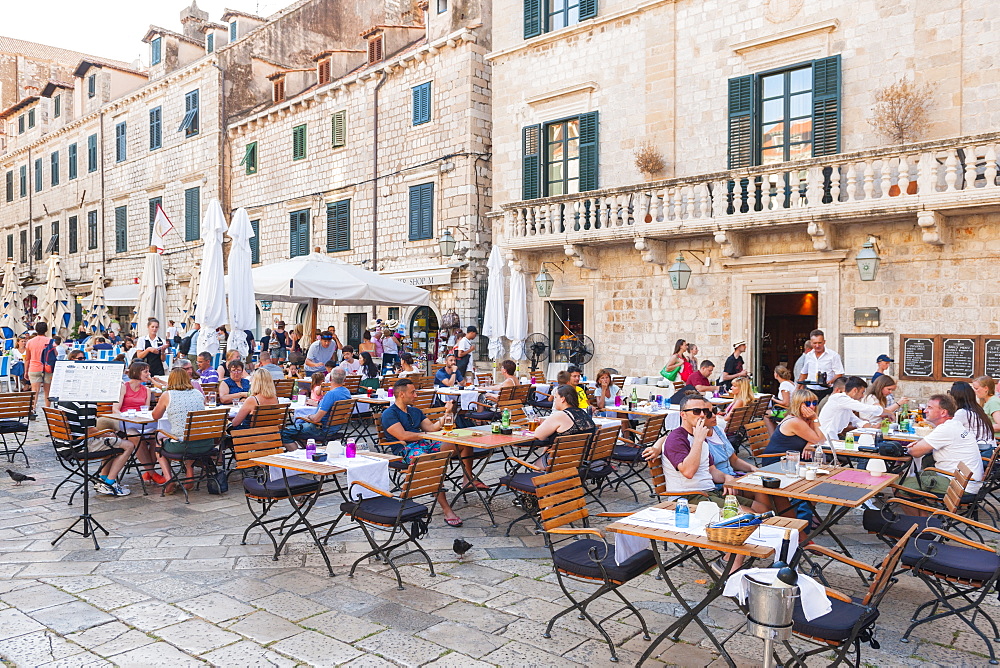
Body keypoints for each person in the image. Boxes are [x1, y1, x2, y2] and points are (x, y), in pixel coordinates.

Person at [641, 394, 766, 511]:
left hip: (709, 492)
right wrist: (698, 441)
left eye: (705, 411)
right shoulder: (677, 439)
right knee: (749, 514)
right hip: (687, 497)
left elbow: (711, 470)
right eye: (696, 411)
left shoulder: (700, 435)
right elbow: (688, 472)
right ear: (683, 415)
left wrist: (727, 477)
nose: (702, 415)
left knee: (762, 508)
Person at [379, 378, 472, 525]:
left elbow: (432, 429)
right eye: (413, 392)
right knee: (429, 461)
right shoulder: (389, 414)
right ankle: (447, 509)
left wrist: (447, 413)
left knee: (463, 443)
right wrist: (426, 436)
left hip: (424, 444)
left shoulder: (415, 411)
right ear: (402, 394)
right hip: (405, 450)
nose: (416, 395)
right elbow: (403, 436)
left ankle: (467, 480)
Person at [901, 394, 984, 495]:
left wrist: (911, 448)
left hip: (960, 485)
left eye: (930, 407)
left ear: (943, 412)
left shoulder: (946, 429)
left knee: (899, 486)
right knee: (913, 477)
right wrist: (920, 444)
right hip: (964, 481)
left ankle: (927, 511)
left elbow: (914, 452)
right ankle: (926, 510)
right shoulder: (954, 424)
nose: (925, 410)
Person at [59, 400, 135, 496]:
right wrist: (110, 434)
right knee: (128, 445)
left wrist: (108, 436)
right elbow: (90, 430)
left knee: (110, 443)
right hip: (80, 446)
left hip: (63, 446)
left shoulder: (65, 399)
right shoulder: (86, 403)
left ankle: (103, 478)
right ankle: (109, 483)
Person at [151, 368, 207, 492]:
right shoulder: (197, 393)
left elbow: (155, 416)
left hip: (183, 445)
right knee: (188, 435)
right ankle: (189, 473)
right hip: (205, 443)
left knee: (159, 442)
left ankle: (168, 478)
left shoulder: (168, 395)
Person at [281, 368, 353, 447]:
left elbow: (316, 419)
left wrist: (308, 416)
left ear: (330, 378)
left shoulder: (331, 394)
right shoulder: (346, 392)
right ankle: (308, 451)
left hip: (321, 429)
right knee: (298, 430)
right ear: (345, 379)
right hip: (335, 428)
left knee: (284, 433)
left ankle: (300, 455)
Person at [819, 376, 895, 442]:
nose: (862, 396)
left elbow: (856, 420)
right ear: (855, 390)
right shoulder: (840, 398)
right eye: (862, 392)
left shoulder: (845, 403)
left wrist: (872, 427)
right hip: (826, 439)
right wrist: (889, 412)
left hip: (831, 438)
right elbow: (865, 408)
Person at [530, 385, 596, 460]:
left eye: (556, 397)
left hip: (562, 462)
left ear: (563, 399)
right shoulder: (583, 413)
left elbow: (538, 435)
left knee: (538, 464)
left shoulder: (560, 415)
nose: (554, 401)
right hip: (584, 460)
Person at [762, 389, 827, 459]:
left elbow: (821, 438)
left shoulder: (807, 419)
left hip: (793, 458)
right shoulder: (795, 421)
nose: (812, 406)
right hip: (778, 460)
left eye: (814, 403)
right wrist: (815, 419)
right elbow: (819, 440)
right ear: (798, 404)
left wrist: (810, 443)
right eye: (807, 403)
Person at [797, 329, 843, 401]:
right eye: (815, 343)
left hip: (827, 390)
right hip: (810, 390)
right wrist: (797, 389)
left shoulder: (833, 355)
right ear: (811, 343)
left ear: (824, 342)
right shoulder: (808, 355)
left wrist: (830, 381)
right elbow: (804, 373)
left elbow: (839, 373)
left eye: (820, 343)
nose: (817, 345)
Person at [949, 381, 995, 449]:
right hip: (989, 449)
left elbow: (949, 431)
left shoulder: (962, 413)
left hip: (980, 453)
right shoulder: (978, 409)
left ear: (955, 397)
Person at [24, 321, 53, 415]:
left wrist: (26, 371)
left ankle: (33, 409)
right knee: (47, 391)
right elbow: (55, 355)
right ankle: (48, 410)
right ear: (46, 330)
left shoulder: (30, 342)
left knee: (34, 391)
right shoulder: (50, 341)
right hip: (47, 368)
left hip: (34, 368)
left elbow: (27, 358)